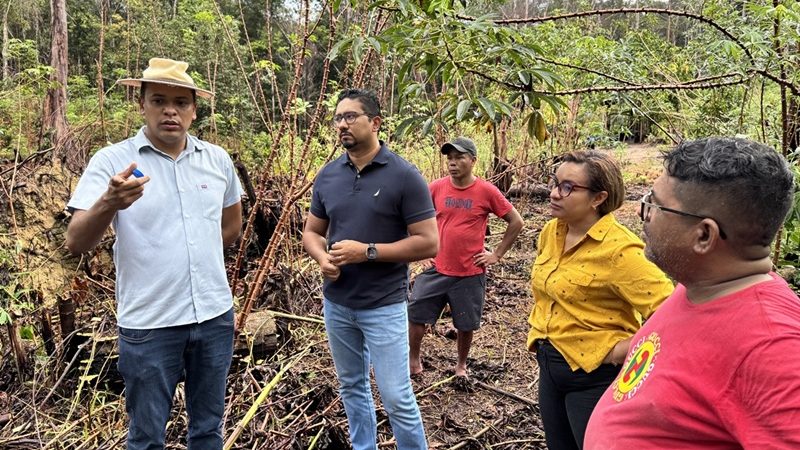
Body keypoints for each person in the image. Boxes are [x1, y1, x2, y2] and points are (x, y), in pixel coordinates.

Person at [65, 57, 243, 449]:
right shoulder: (113, 162)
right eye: (159, 100)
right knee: (146, 437)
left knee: (209, 429)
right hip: (150, 323)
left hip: (214, 316)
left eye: (181, 103)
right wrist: (109, 202)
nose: (170, 111)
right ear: (141, 105)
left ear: (194, 111)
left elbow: (231, 227)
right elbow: (76, 241)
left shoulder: (217, 160)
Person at [585, 137, 800, 449]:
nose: (643, 214)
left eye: (655, 205)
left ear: (704, 235)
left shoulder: (772, 349)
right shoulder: (700, 285)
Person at [302, 88, 437, 450]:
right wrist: (322, 257)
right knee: (351, 386)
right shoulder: (328, 175)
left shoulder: (405, 176)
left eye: (351, 117)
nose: (342, 125)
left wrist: (369, 252)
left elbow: (428, 242)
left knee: (396, 396)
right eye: (338, 118)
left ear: (375, 122)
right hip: (338, 303)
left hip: (384, 305)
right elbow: (312, 232)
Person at [526, 150, 674, 450]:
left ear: (598, 198)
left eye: (568, 187)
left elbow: (671, 313)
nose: (554, 193)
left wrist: (622, 350)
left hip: (595, 379)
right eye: (555, 182)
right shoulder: (552, 231)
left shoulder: (620, 251)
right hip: (550, 366)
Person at [408, 136, 523, 379]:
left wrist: (497, 254)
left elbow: (516, 221)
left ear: (473, 161)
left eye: (459, 157)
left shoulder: (486, 191)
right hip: (437, 268)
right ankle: (413, 360)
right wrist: (419, 253)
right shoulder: (435, 188)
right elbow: (413, 217)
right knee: (416, 314)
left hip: (469, 272)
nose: (453, 162)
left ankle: (461, 365)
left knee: (465, 323)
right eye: (450, 158)